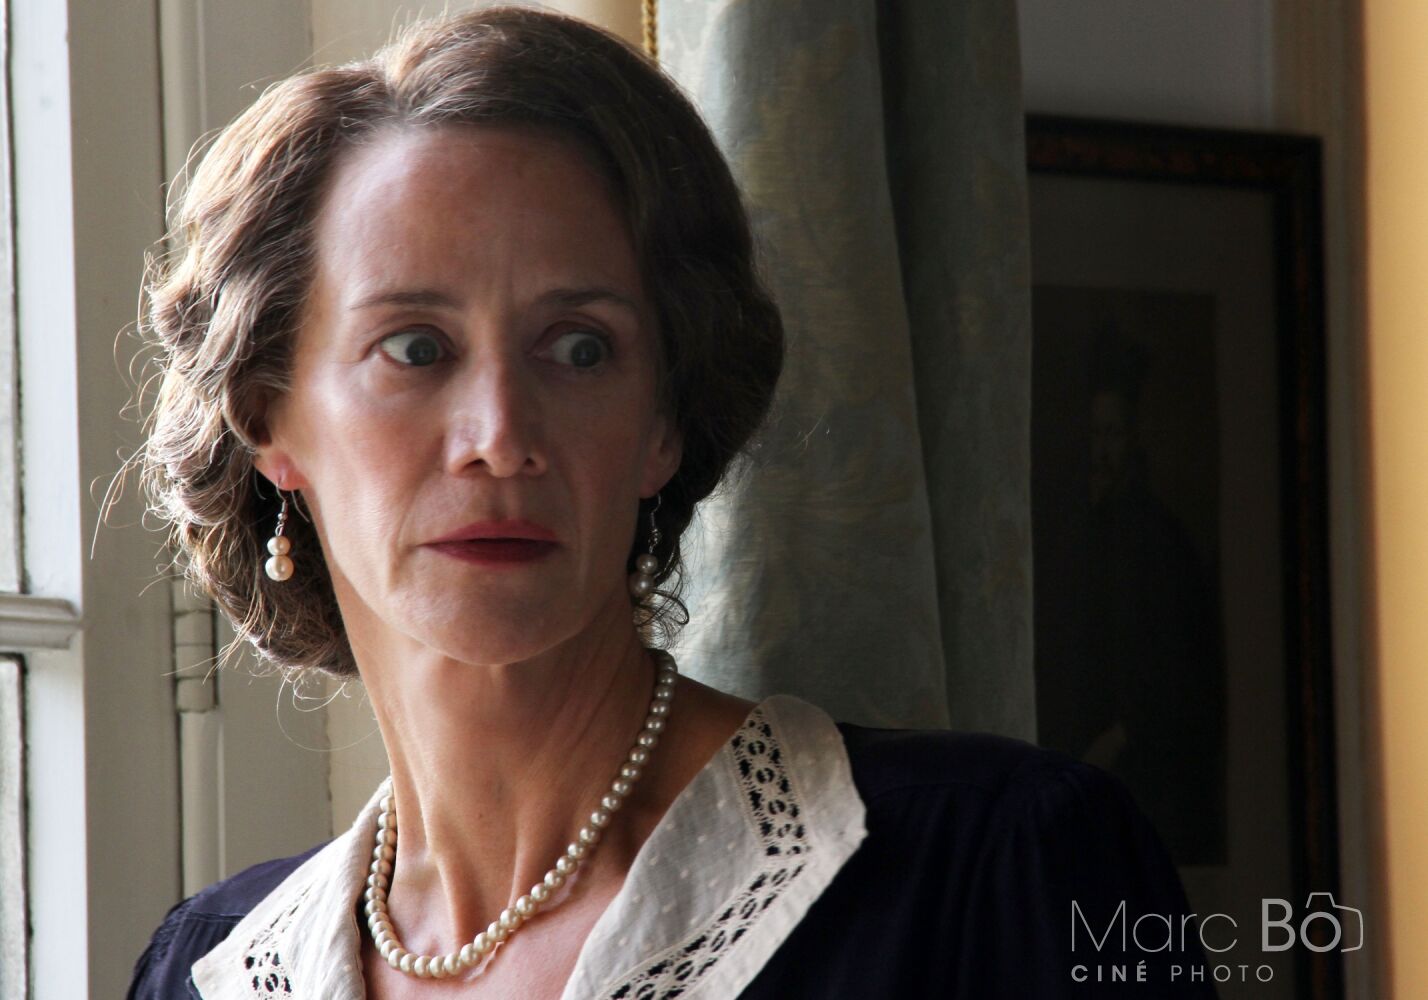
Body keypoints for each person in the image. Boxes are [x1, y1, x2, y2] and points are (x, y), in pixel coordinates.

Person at [128, 6, 1214, 997]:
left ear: (665, 423)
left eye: (581, 348)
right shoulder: (205, 971)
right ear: (266, 417)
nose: (500, 435)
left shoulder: (1005, 868)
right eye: (415, 347)